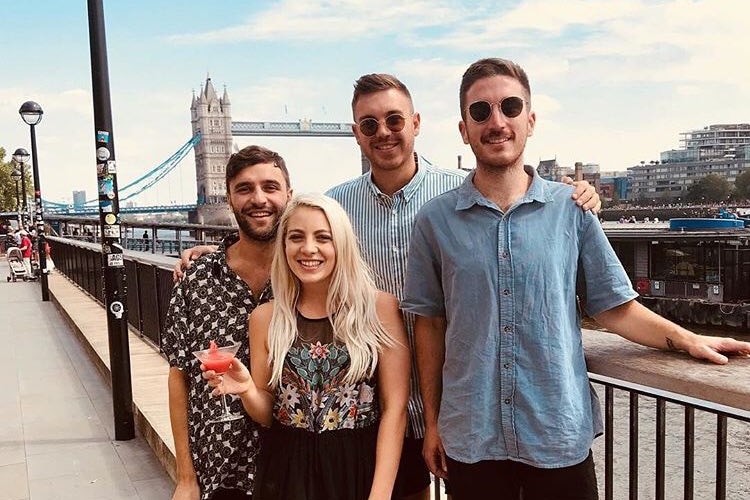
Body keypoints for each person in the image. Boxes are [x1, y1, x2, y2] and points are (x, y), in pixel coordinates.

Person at [175, 73, 601, 500]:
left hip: (460, 407)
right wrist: (216, 254)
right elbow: (297, 244)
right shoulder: (335, 205)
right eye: (369, 124)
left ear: (415, 123)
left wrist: (571, 196)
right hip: (372, 408)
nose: (383, 133)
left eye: (394, 121)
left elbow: (515, 204)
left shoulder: (460, 193)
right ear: (355, 134)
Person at [401, 57, 750, 500]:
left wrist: (686, 339)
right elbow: (428, 326)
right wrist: (432, 423)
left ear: (530, 120)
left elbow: (614, 306)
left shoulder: (572, 211)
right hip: (472, 433)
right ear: (464, 129)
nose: (497, 121)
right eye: (480, 111)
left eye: (510, 107)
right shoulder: (435, 221)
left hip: (555, 430)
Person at [202, 193, 410, 500]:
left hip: (357, 468)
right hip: (286, 472)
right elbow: (266, 414)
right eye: (296, 237)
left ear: (341, 244)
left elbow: (396, 410)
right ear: (283, 246)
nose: (308, 249)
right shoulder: (265, 318)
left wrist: (379, 495)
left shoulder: (378, 309)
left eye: (323, 237)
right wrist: (247, 390)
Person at [162, 145, 292, 500]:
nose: (259, 198)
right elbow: (179, 378)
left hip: (295, 465)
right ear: (229, 198)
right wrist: (185, 476)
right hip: (219, 470)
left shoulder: (307, 279)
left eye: (270, 186)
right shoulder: (196, 280)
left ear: (288, 195)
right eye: (245, 188)